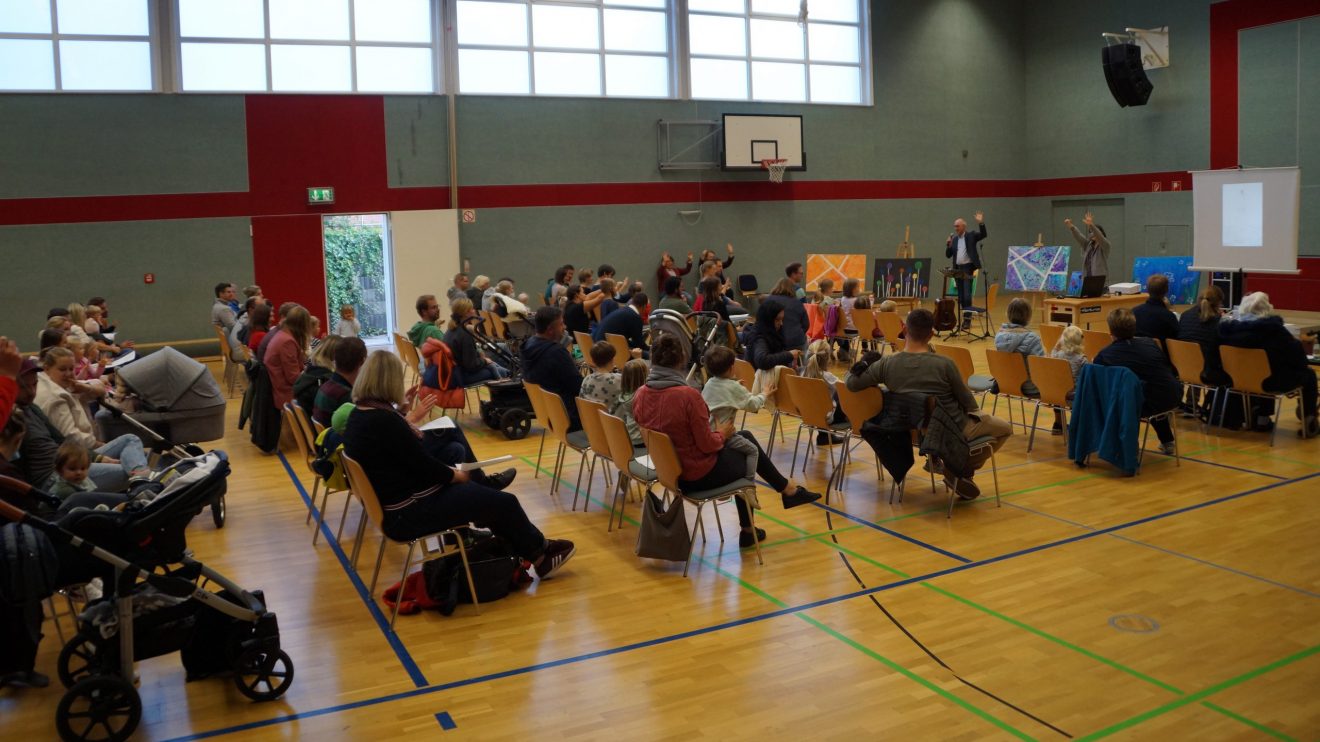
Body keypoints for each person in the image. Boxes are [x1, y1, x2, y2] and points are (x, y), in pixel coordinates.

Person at [341, 351, 574, 578]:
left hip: (395, 505)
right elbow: (423, 465)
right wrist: (454, 476)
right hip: (409, 513)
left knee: (460, 460)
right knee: (505, 503)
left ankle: (506, 534)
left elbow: (406, 457)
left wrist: (401, 413)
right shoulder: (384, 422)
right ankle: (541, 556)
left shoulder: (360, 415)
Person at [633, 335, 821, 548]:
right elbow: (708, 445)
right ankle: (751, 527)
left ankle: (787, 491)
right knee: (746, 451)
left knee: (746, 436)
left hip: (669, 472)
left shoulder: (640, 394)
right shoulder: (687, 396)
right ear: (682, 359)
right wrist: (721, 433)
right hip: (696, 475)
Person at [846, 308, 1012, 498]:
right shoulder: (944, 364)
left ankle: (946, 464)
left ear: (905, 331)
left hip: (908, 430)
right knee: (1004, 428)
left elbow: (851, 383)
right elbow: (969, 402)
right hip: (950, 428)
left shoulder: (887, 364)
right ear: (931, 334)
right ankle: (961, 470)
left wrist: (865, 364)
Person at [32, 348, 152, 481]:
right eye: (62, 369)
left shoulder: (52, 384)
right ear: (47, 368)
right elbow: (70, 437)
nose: (68, 374)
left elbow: (99, 389)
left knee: (131, 440)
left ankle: (140, 473)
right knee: (127, 463)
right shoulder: (55, 397)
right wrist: (96, 444)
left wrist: (84, 388)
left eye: (71, 369)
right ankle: (142, 479)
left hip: (78, 452)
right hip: (74, 459)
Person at [1219, 292, 1318, 437]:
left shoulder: (1229, 332)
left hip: (1238, 380)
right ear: (1267, 309)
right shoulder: (1276, 332)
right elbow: (1299, 359)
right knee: (1308, 374)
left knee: (1266, 370)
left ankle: (1262, 419)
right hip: (1271, 382)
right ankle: (1308, 416)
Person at [1093, 308, 1183, 454]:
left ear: (1110, 330)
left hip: (1144, 403)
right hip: (1173, 394)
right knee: (1149, 387)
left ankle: (1120, 444)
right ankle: (1167, 441)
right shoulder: (1150, 343)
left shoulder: (1105, 355)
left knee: (1119, 396)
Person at [522, 306, 584, 430]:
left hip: (547, 413)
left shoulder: (527, 345)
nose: (565, 327)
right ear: (550, 330)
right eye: (561, 324)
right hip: (569, 416)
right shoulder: (556, 352)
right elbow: (579, 387)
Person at [1176, 286, 1229, 414]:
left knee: (1194, 357)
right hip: (1204, 370)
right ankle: (1192, 404)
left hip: (1179, 366)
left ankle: (1177, 402)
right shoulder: (1217, 321)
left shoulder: (1185, 315)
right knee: (1207, 359)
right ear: (1218, 304)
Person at [702, 345, 772, 427]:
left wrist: (734, 385)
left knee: (747, 435)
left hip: (708, 431)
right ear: (731, 368)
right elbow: (753, 405)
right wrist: (764, 393)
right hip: (723, 435)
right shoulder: (733, 387)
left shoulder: (709, 383)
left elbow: (722, 391)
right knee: (745, 439)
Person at [443, 298, 508, 385]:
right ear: (466, 313)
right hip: (465, 376)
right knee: (501, 370)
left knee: (494, 365)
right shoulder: (465, 334)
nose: (474, 311)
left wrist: (484, 360)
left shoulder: (451, 330)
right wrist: (484, 361)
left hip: (456, 374)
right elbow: (471, 366)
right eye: (472, 309)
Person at [265, 305, 312, 411]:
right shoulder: (287, 342)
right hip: (287, 394)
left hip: (280, 389)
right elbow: (293, 378)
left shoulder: (281, 335)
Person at [313, 337, 367, 428]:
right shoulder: (345, 396)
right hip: (338, 441)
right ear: (362, 361)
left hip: (326, 438)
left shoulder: (325, 385)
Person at [994, 298, 1044, 396]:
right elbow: (1041, 367)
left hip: (1006, 383)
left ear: (1007, 314)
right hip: (1030, 387)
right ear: (1028, 316)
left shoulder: (999, 336)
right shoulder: (1033, 338)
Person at [944, 211, 987, 325]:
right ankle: (965, 318)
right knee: (961, 296)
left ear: (963, 226)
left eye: (957, 226)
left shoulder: (971, 235)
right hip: (957, 269)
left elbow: (983, 235)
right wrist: (948, 244)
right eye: (954, 226)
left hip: (968, 268)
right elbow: (948, 255)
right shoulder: (954, 239)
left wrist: (981, 223)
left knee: (967, 295)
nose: (955, 228)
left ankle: (967, 320)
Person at [1049, 325, 1087, 434]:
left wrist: (1057, 346)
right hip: (1073, 395)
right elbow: (1086, 379)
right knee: (1081, 391)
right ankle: (1077, 425)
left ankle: (1058, 424)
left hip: (1056, 394)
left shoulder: (1056, 355)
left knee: (1060, 387)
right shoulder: (1081, 359)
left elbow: (1053, 352)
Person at [744, 301, 801, 372]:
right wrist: (789, 355)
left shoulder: (770, 333)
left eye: (782, 319)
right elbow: (762, 361)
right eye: (777, 319)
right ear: (768, 320)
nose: (781, 323)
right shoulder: (759, 338)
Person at [293, 334, 341, 417]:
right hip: (321, 426)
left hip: (310, 423)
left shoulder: (310, 373)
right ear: (334, 356)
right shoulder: (324, 380)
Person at [761, 278, 809, 352]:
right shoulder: (797, 303)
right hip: (797, 342)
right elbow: (806, 324)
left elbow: (762, 322)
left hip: (775, 342)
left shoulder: (768, 300)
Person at [1133, 274, 1180, 343]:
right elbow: (1176, 340)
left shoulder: (1134, 312)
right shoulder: (1169, 316)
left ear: (1147, 289)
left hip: (1137, 351)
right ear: (1166, 290)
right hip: (1159, 352)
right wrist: (1170, 311)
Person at [1065, 212, 1110, 282]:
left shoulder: (1105, 245)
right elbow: (1079, 236)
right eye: (1090, 232)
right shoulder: (1088, 245)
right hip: (1087, 281)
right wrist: (1071, 227)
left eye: (1093, 232)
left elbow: (1099, 236)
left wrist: (1091, 225)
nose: (1092, 234)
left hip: (1100, 282)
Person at [580, 341, 622, 411]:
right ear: (612, 359)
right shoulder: (619, 379)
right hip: (612, 420)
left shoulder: (586, 379)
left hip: (591, 419)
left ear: (593, 361)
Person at [616, 359, 647, 447]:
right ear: (644, 376)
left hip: (632, 434)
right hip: (642, 438)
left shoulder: (624, 394)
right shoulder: (642, 397)